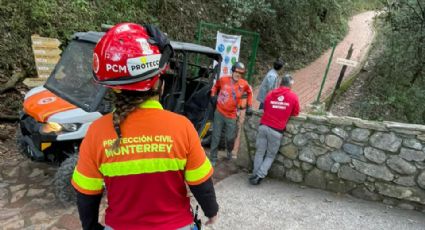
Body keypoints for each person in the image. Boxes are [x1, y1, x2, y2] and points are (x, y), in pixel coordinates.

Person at [71, 23, 218, 230]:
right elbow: (201, 183)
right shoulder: (182, 127)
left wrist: (91, 227)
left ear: (111, 87)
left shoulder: (97, 132)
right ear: (157, 82)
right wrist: (211, 212)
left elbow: (86, 193)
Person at [250, 74, 300, 185]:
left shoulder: (270, 93)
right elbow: (296, 113)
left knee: (259, 152)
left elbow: (265, 107)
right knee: (270, 155)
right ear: (290, 85)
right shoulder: (293, 97)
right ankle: (259, 176)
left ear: (280, 83)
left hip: (263, 126)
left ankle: (254, 173)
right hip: (276, 130)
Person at [209, 62, 253, 166]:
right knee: (216, 135)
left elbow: (250, 92)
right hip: (219, 112)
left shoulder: (244, 84)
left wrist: (249, 105)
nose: (238, 74)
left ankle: (229, 151)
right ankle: (213, 157)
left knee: (230, 138)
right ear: (233, 71)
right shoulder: (223, 79)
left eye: (241, 73)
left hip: (232, 115)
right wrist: (212, 95)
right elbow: (215, 86)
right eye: (237, 72)